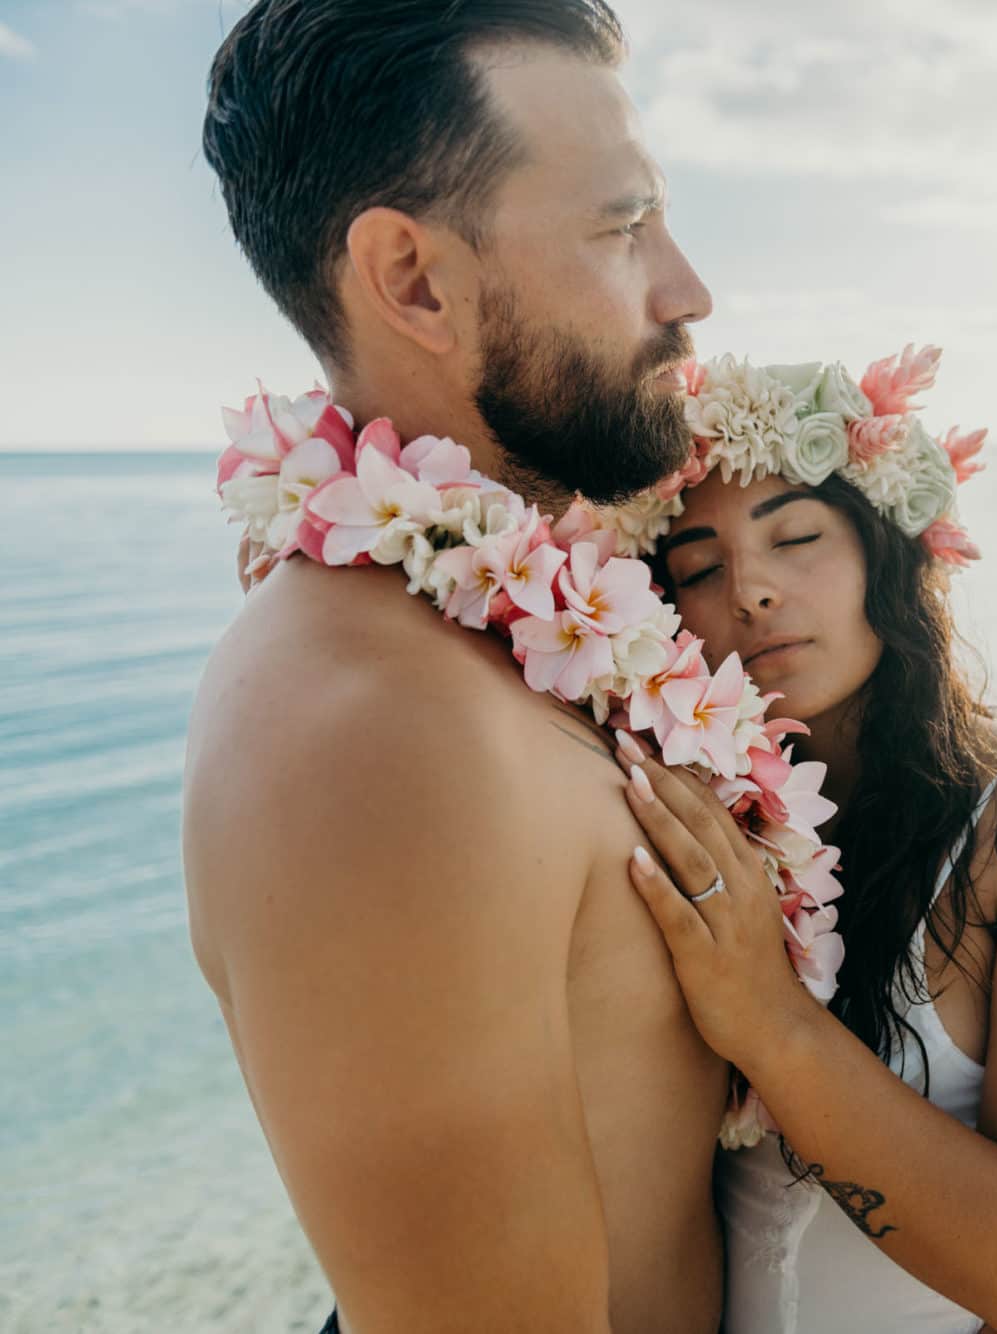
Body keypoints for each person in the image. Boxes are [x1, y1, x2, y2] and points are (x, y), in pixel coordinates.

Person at [182, 3, 729, 1330]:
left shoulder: (532, 608)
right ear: (415, 282)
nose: (688, 288)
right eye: (620, 224)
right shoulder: (373, 735)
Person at [615, 455, 997, 1332]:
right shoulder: (693, 822)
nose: (751, 590)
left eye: (795, 536)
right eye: (698, 568)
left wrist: (769, 1021)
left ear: (888, 551)